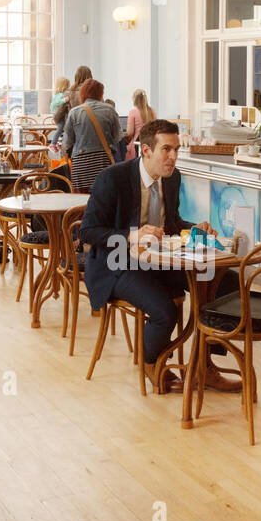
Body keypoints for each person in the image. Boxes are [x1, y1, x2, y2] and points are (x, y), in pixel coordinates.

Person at [81, 119, 240, 395]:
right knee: (164, 309)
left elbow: (172, 223)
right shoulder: (113, 178)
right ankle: (152, 365)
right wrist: (132, 235)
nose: (174, 157)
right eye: (167, 149)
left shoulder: (172, 177)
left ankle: (205, 365)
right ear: (146, 151)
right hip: (117, 262)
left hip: (158, 261)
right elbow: (88, 231)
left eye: (176, 149)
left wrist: (194, 228)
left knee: (224, 283)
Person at [64, 79, 121, 193]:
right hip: (103, 162)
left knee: (80, 202)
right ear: (100, 93)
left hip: (81, 165)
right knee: (103, 200)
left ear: (82, 94)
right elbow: (117, 137)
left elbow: (67, 143)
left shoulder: (74, 113)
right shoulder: (109, 110)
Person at [125, 89, 156, 159]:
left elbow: (130, 132)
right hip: (150, 144)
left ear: (135, 99)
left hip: (137, 145)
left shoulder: (133, 112)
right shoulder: (152, 111)